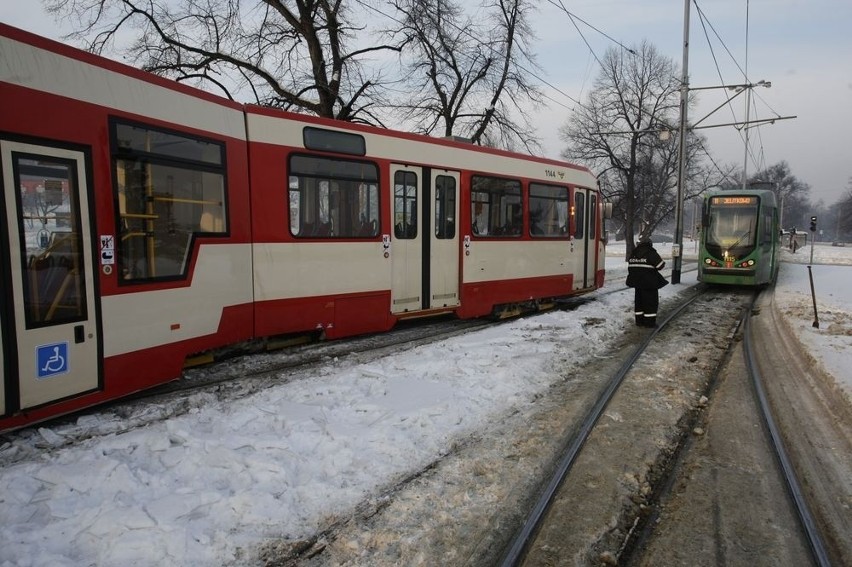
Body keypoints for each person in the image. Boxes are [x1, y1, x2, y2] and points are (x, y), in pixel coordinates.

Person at [626, 237, 669, 327]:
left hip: (637, 283)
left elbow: (630, 265)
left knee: (639, 303)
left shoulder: (634, 253)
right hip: (649, 283)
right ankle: (649, 323)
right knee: (650, 303)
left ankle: (639, 322)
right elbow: (660, 266)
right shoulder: (651, 253)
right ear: (650, 244)